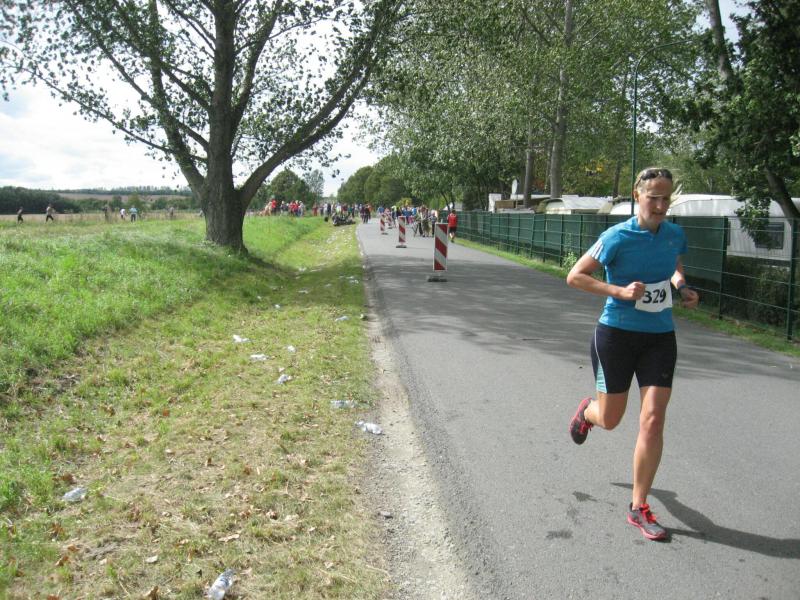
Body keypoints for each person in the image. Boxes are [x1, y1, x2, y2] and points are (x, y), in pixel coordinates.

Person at [566, 167, 700, 541]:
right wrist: (619, 291)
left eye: (666, 198)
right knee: (610, 419)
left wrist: (682, 286)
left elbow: (673, 265)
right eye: (653, 197)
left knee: (653, 419)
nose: (660, 205)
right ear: (637, 195)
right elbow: (575, 276)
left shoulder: (674, 235)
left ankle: (638, 506)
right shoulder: (616, 237)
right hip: (616, 336)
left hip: (660, 337)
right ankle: (588, 411)